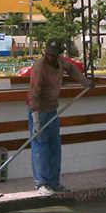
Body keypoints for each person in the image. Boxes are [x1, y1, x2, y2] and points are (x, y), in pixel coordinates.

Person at [26, 39, 94, 196]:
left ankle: (54, 182)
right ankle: (41, 183)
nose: (50, 56)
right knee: (40, 146)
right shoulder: (39, 67)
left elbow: (72, 70)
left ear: (58, 55)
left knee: (54, 145)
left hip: (52, 109)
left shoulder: (61, 62)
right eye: (48, 53)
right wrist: (35, 121)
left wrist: (85, 82)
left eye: (53, 54)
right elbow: (34, 94)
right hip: (38, 110)